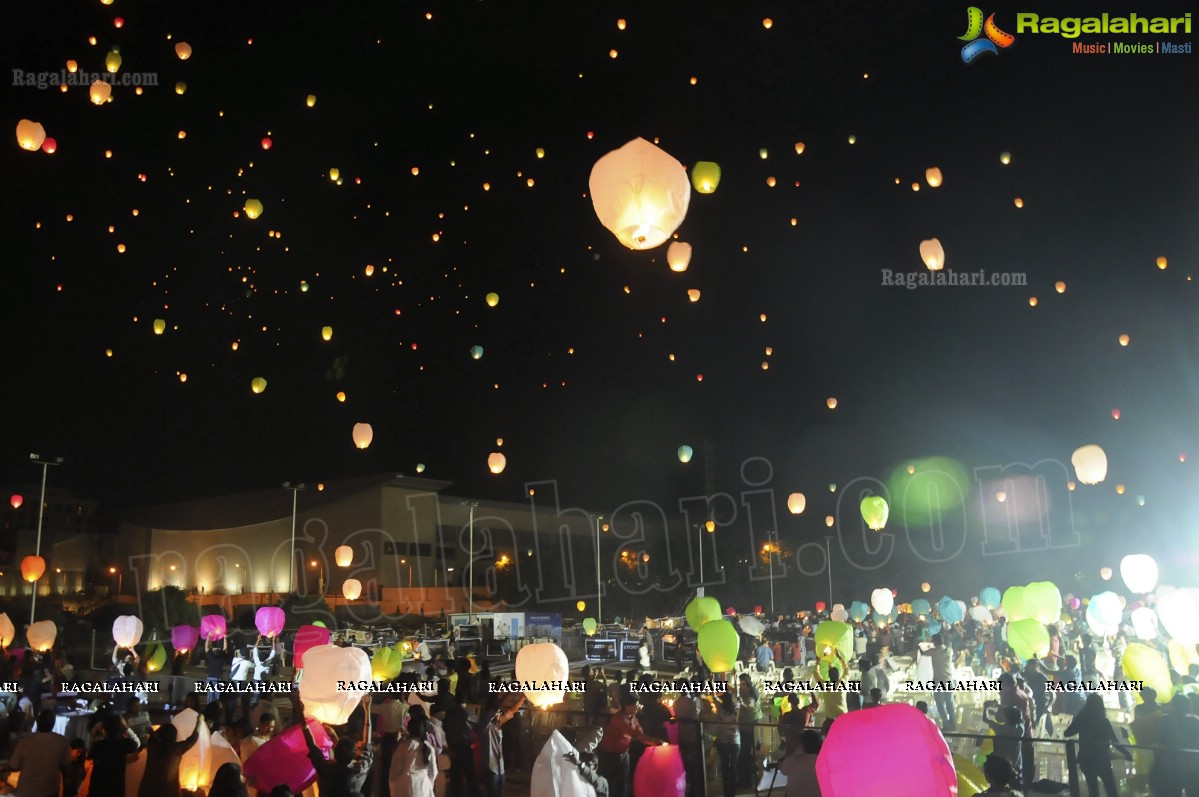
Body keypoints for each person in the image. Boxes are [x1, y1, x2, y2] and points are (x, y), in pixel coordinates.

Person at [598, 693, 663, 797]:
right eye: (635, 705)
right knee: (608, 783)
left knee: (623, 784)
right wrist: (654, 740)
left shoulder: (633, 717)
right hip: (610, 755)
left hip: (623, 754)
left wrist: (653, 742)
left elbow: (640, 733)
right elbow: (634, 733)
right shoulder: (619, 719)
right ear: (627, 706)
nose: (638, 707)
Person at [1064, 693, 1127, 797]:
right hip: (1102, 758)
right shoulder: (1104, 722)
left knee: (1093, 790)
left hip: (1086, 758)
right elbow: (1115, 742)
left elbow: (1067, 733)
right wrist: (1126, 754)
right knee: (1111, 789)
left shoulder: (1082, 719)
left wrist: (1077, 721)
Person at [7, 708, 71, 797]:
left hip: (26, 791)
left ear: (37, 722)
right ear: (53, 724)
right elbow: (65, 764)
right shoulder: (62, 741)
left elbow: (14, 765)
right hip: (50, 791)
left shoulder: (25, 741)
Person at [139, 718, 201, 797]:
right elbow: (193, 739)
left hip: (147, 790)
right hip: (167, 791)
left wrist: (152, 733)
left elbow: (154, 738)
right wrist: (199, 722)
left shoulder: (152, 746)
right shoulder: (176, 749)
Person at [480, 692, 524, 797]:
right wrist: (505, 695)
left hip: (499, 768)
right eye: (498, 712)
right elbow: (495, 709)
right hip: (490, 769)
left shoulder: (497, 724)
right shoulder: (485, 725)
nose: (500, 714)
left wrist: (523, 697)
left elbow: (511, 712)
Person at [87, 714, 141, 797]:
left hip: (98, 786)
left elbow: (90, 752)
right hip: (117, 786)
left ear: (104, 730)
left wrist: (95, 730)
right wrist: (126, 728)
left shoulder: (99, 745)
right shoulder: (125, 744)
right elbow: (137, 743)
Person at [390, 713, 438, 797]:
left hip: (405, 786)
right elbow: (433, 772)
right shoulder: (429, 747)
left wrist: (393, 789)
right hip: (423, 786)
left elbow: (394, 772)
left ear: (408, 729)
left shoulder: (404, 746)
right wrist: (429, 785)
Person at [773, 729, 822, 797]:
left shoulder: (792, 761)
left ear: (801, 745)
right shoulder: (822, 762)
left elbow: (781, 766)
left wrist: (792, 753)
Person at [983, 703, 1024, 778]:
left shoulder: (999, 729)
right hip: (1015, 764)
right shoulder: (1020, 730)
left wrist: (985, 707)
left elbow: (985, 719)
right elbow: (1021, 720)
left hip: (1000, 763)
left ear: (1006, 717)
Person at [735, 674, 761, 788]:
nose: (741, 686)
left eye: (743, 684)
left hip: (748, 730)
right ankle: (744, 780)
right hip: (743, 729)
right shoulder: (744, 696)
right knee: (743, 755)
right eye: (740, 684)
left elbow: (749, 710)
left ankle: (746, 781)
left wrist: (741, 702)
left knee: (745, 755)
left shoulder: (750, 699)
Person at [712, 692, 740, 797]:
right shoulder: (736, 709)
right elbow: (738, 700)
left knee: (724, 767)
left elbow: (715, 699)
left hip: (722, 741)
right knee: (733, 767)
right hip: (735, 741)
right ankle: (733, 792)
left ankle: (726, 792)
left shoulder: (720, 710)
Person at [929, 634, 957, 732]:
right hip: (949, 679)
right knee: (950, 702)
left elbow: (923, 652)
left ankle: (946, 724)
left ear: (935, 642)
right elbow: (950, 646)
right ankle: (953, 723)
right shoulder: (949, 651)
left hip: (938, 680)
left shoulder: (933, 652)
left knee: (940, 703)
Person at [206, 635, 229, 704]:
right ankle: (218, 709)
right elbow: (225, 648)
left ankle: (209, 708)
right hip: (218, 679)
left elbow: (207, 648)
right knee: (218, 697)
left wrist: (208, 638)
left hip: (210, 678)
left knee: (209, 697)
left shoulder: (210, 657)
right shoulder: (221, 658)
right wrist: (225, 639)